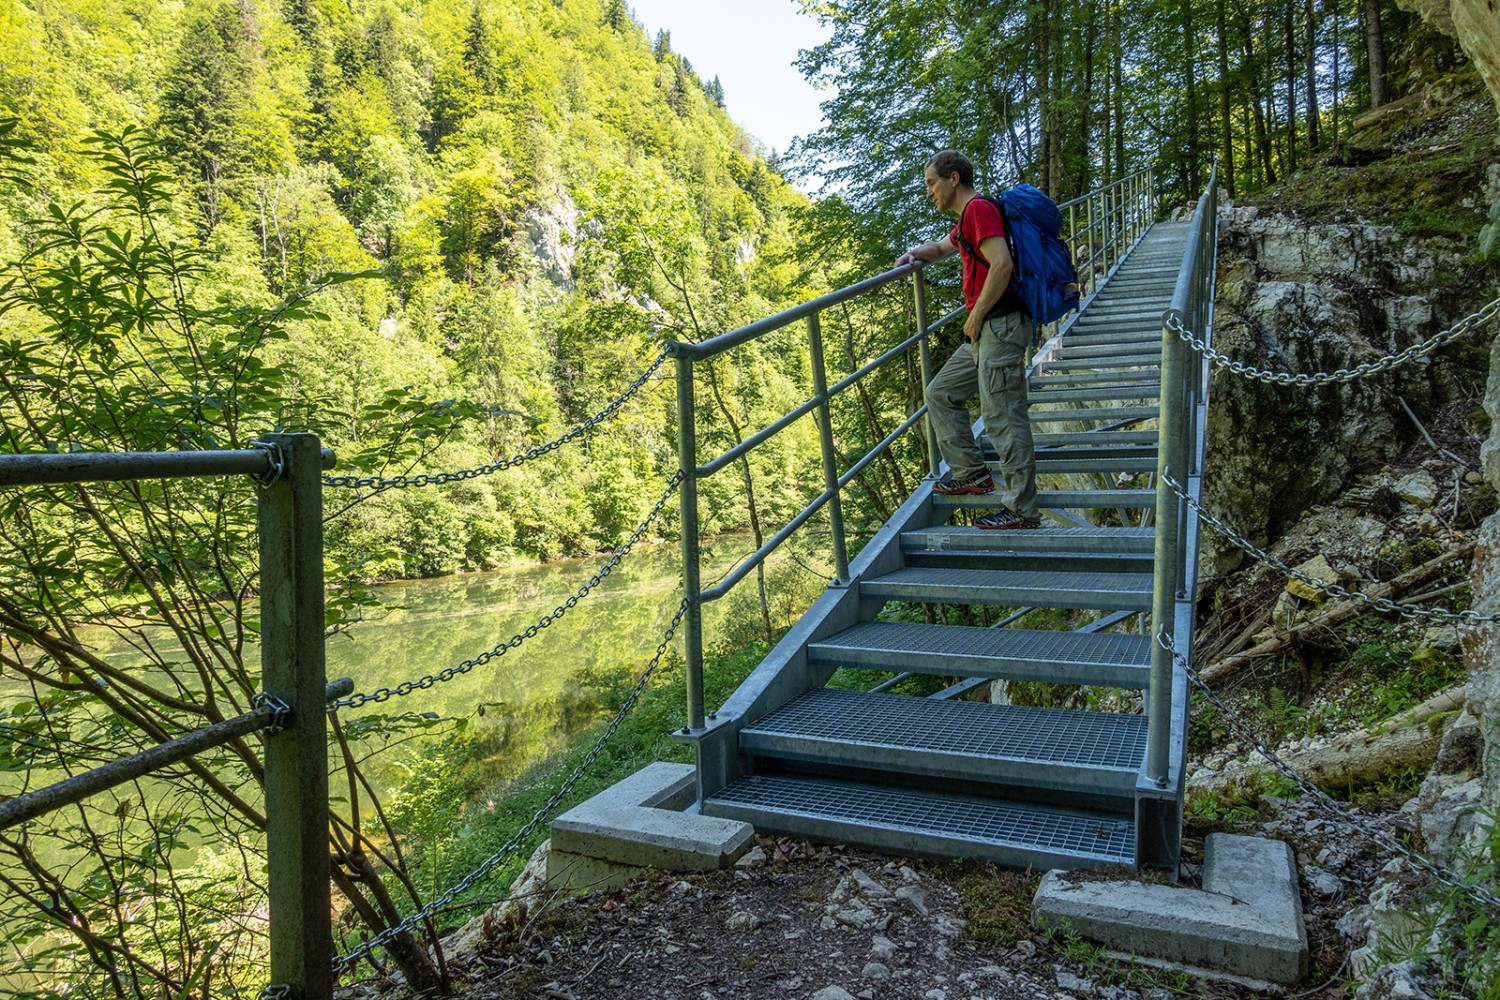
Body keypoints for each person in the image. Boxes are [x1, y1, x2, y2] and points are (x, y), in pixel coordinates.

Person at [895, 150, 1041, 530]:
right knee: (940, 393)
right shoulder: (965, 221)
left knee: (1003, 417)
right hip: (986, 330)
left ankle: (1022, 511)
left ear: (953, 178)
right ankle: (972, 474)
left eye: (931, 183)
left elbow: (1003, 264)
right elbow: (943, 248)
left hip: (1000, 325)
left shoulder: (978, 210)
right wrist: (913, 254)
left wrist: (975, 316)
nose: (929, 192)